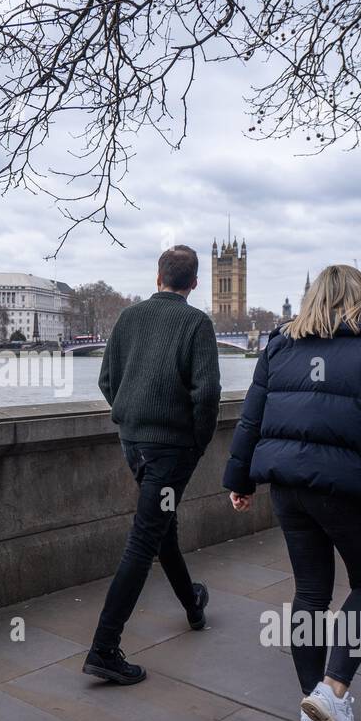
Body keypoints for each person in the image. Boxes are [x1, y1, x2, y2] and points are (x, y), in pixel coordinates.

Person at [225, 264, 361, 721]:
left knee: (311, 594)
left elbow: (250, 420)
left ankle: (310, 708)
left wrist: (239, 480)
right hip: (348, 490)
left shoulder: (279, 346)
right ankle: (333, 691)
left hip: (288, 489)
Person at [84, 245, 222, 685]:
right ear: (194, 283)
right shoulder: (197, 322)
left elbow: (107, 380)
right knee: (144, 542)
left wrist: (131, 419)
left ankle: (192, 603)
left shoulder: (128, 318)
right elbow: (207, 394)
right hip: (171, 449)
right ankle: (104, 648)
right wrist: (196, 443)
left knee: (163, 530)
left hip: (134, 444)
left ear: (158, 276)